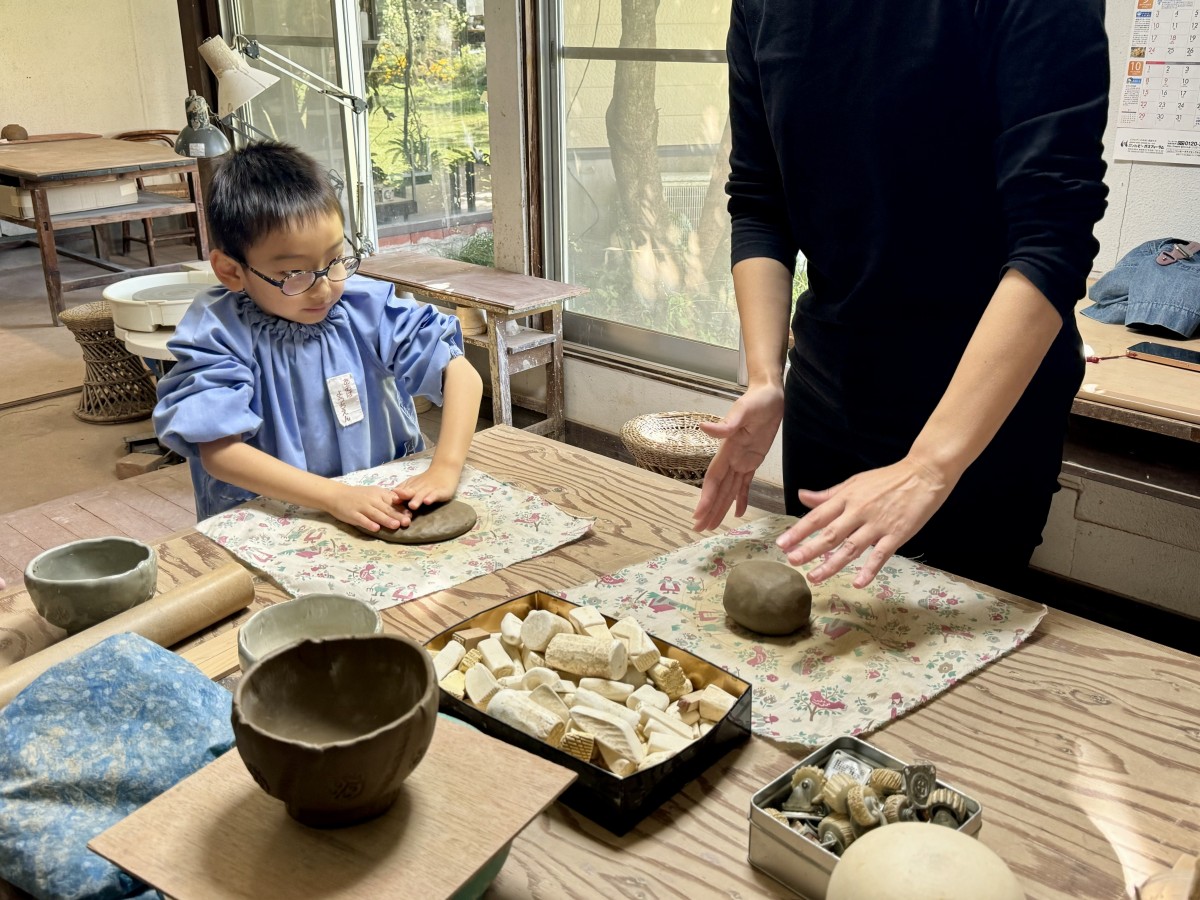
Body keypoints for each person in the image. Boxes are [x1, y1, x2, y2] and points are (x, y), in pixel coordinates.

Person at [693, 0, 1110, 592]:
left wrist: (929, 465)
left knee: (954, 657)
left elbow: (1052, 241)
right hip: (831, 395)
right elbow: (761, 202)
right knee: (824, 626)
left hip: (983, 416)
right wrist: (765, 377)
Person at [154, 141, 483, 529]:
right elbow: (220, 453)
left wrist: (444, 467)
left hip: (379, 501)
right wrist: (332, 496)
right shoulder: (219, 334)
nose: (324, 288)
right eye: (296, 274)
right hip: (277, 518)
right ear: (231, 271)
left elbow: (461, 374)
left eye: (335, 260)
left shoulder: (367, 309)